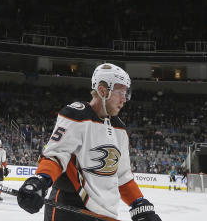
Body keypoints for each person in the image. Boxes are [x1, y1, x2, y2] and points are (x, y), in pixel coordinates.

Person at [16, 63, 161, 221]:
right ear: (102, 90)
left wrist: (139, 204)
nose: (124, 99)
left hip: (106, 213)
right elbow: (56, 156)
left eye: (126, 93)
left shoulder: (120, 129)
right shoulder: (77, 115)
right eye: (120, 92)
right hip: (71, 209)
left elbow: (122, 176)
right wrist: (40, 181)